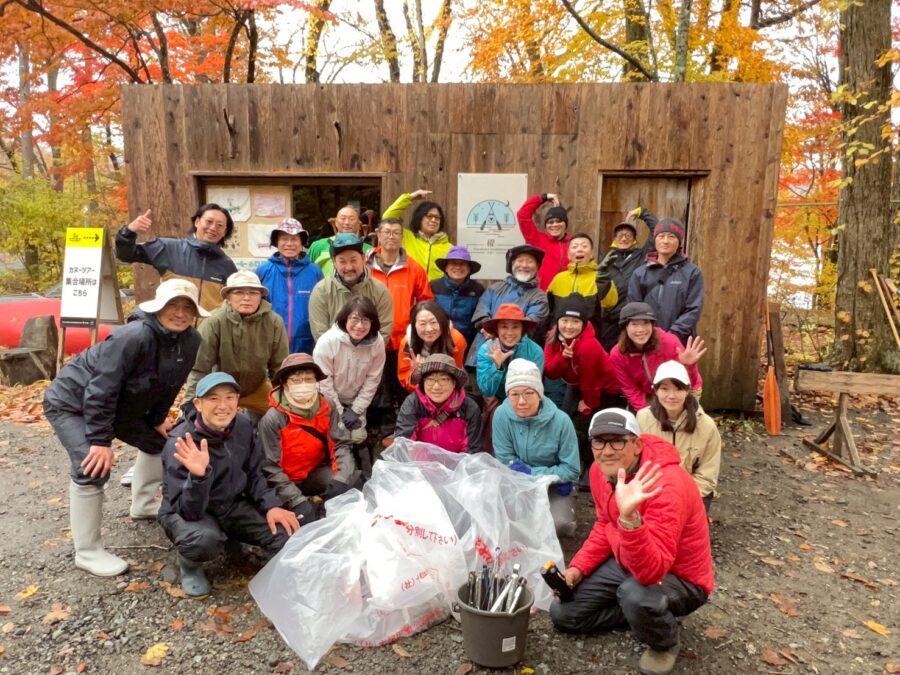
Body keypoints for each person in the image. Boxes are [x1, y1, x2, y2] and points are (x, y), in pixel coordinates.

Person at [42, 279, 206, 577]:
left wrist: (157, 419)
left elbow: (170, 385)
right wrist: (99, 441)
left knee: (160, 443)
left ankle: (142, 504)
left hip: (121, 406)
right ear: (158, 307)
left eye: (188, 307)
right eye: (173, 305)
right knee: (92, 466)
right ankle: (87, 551)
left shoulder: (191, 340)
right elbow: (101, 389)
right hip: (73, 402)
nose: (180, 313)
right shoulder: (133, 336)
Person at [549, 408, 714, 675]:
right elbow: (604, 524)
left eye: (617, 441)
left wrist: (629, 519)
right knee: (564, 614)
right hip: (628, 557)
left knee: (635, 594)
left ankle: (664, 640)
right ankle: (642, 614)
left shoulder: (666, 484)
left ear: (637, 445)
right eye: (599, 442)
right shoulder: (600, 472)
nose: (607, 451)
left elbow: (652, 572)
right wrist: (578, 568)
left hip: (680, 576)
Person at [159, 372, 300, 597]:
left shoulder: (242, 426)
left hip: (231, 504)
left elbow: (255, 473)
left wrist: (272, 506)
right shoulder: (181, 442)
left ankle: (237, 542)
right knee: (204, 540)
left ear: (237, 400)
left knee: (285, 531)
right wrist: (198, 477)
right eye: (213, 398)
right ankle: (189, 565)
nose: (223, 406)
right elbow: (187, 510)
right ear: (198, 403)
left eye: (230, 397)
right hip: (191, 511)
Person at [258, 353, 361, 524]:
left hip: (314, 473)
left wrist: (341, 480)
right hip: (284, 481)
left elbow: (341, 444)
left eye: (308, 379)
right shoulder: (273, 419)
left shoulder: (327, 405)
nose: (303, 385)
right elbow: (270, 467)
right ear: (285, 384)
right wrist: (296, 500)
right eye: (296, 381)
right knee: (302, 520)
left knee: (351, 481)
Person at [183, 270, 288, 422]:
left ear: (261, 296)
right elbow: (199, 368)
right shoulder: (213, 322)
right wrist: (189, 402)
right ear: (228, 297)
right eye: (239, 292)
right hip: (219, 388)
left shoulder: (274, 322)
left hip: (257, 386)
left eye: (253, 293)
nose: (247, 298)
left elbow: (279, 367)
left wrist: (285, 398)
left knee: (285, 417)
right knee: (201, 422)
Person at [492, 359, 580, 537]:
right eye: (514, 394)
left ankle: (565, 510)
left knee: (558, 524)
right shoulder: (501, 415)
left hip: (554, 485)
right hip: (516, 482)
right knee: (503, 520)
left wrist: (533, 473)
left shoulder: (561, 421)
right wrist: (523, 476)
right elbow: (505, 458)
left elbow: (571, 469)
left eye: (528, 393)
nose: (521, 401)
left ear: (539, 393)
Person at [115, 204, 237, 313]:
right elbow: (126, 255)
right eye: (209, 221)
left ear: (224, 232)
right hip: (172, 327)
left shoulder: (227, 265)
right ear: (197, 222)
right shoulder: (168, 248)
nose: (213, 228)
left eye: (220, 225)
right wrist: (129, 232)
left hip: (208, 330)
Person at [366, 217, 435, 409]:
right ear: (378, 235)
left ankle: (402, 422)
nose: (391, 236)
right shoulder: (364, 265)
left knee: (403, 389)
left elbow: (426, 302)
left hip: (403, 341)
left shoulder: (414, 268)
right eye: (387, 232)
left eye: (396, 233)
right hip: (370, 339)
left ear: (402, 237)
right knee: (374, 391)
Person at [636, 361, 721, 513]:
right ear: (655, 390)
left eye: (678, 389)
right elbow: (635, 464)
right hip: (652, 491)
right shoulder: (642, 418)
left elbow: (707, 475)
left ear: (688, 390)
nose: (671, 396)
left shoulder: (706, 425)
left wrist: (678, 496)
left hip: (692, 492)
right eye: (664, 388)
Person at [312, 297, 386, 456]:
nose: (359, 326)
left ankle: (360, 463)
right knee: (338, 435)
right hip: (330, 400)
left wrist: (356, 410)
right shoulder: (327, 342)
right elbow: (324, 383)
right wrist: (340, 413)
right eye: (354, 319)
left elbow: (373, 379)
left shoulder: (377, 342)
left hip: (356, 401)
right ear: (345, 318)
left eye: (365, 320)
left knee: (358, 437)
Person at [609, 302, 705, 411]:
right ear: (625, 327)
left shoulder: (670, 342)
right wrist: (647, 413)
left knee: (683, 419)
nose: (640, 329)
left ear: (652, 325)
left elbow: (688, 383)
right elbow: (630, 388)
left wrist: (689, 365)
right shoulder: (617, 354)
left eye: (646, 323)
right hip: (648, 394)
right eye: (634, 324)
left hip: (680, 389)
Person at [465, 244, 549, 369]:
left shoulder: (540, 297)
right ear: (512, 264)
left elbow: (534, 321)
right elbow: (481, 309)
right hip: (484, 348)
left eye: (529, 261)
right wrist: (486, 326)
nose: (524, 265)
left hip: (520, 355)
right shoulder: (495, 288)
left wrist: (503, 333)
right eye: (520, 260)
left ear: (537, 266)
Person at [627, 218, 704, 345]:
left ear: (679, 242)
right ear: (655, 240)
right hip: (647, 341)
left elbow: (693, 309)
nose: (665, 241)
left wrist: (672, 335)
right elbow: (633, 308)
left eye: (671, 236)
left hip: (679, 341)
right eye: (661, 236)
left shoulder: (692, 273)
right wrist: (646, 333)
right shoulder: (640, 273)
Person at [308, 233, 393, 344]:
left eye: (353, 260)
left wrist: (363, 351)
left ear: (363, 259)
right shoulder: (321, 291)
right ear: (334, 262)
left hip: (369, 352)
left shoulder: (380, 291)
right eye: (342, 262)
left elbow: (383, 331)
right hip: (332, 353)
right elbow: (320, 333)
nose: (348, 267)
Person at [256, 218, 324, 354]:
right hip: (271, 342)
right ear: (276, 242)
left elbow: (323, 306)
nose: (289, 244)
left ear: (302, 242)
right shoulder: (263, 271)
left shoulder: (314, 271)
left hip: (307, 343)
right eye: (284, 239)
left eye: (294, 239)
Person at [394, 354, 482, 454]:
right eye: (430, 379)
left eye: (444, 379)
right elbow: (403, 446)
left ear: (454, 383)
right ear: (423, 383)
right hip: (417, 463)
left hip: (458, 464)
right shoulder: (413, 404)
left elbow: (472, 451)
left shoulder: (469, 408)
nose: (436, 387)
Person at [597, 207, 657, 351]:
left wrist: (642, 213)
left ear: (634, 239)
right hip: (610, 319)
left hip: (633, 318)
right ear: (614, 239)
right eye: (620, 235)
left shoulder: (641, 255)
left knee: (632, 352)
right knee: (608, 353)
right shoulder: (606, 258)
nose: (624, 239)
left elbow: (656, 231)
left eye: (628, 235)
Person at [546, 232, 618, 336]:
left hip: (589, 336)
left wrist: (603, 278)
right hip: (560, 335)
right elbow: (548, 309)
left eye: (584, 246)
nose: (579, 249)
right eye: (574, 247)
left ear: (591, 253)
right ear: (568, 254)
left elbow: (610, 302)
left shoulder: (600, 276)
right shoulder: (559, 278)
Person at [475, 304, 544, 399]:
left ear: (522, 329)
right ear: (497, 329)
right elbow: (487, 391)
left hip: (525, 399)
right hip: (498, 398)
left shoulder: (535, 351)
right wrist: (497, 367)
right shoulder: (486, 350)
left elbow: (534, 388)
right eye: (504, 327)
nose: (510, 332)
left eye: (515, 327)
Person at [381, 189, 453, 280]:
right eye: (429, 216)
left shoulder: (450, 248)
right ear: (420, 218)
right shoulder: (407, 238)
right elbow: (387, 218)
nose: (434, 220)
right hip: (410, 288)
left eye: (437, 217)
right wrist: (410, 197)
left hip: (436, 289)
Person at [397, 301, 467, 392]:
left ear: (443, 322)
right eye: (422, 324)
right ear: (414, 326)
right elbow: (404, 376)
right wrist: (417, 374)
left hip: (447, 388)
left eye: (434, 322)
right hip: (418, 390)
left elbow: (457, 374)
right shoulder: (407, 343)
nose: (429, 329)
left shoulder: (456, 340)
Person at [430, 246, 484, 348]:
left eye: (462, 264)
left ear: (469, 269)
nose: (458, 267)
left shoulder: (478, 290)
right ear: (446, 268)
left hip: (468, 344)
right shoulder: (433, 287)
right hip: (437, 342)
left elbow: (480, 317)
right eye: (453, 263)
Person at [516, 192, 572, 290]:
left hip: (567, 294)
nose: (554, 225)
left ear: (565, 225)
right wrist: (543, 198)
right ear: (546, 226)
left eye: (559, 221)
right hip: (543, 294)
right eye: (550, 222)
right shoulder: (537, 239)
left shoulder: (574, 243)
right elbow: (522, 215)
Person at [307, 205, 374, 275]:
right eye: (343, 218)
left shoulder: (369, 250)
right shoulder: (318, 246)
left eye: (352, 219)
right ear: (336, 222)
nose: (347, 223)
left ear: (358, 224)